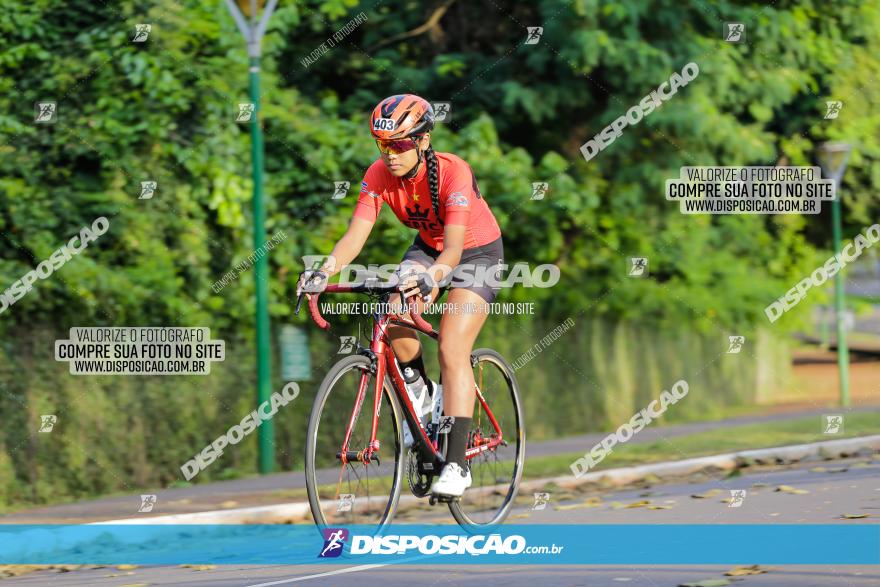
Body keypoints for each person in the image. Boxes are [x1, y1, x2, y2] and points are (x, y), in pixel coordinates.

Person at [297, 94, 504, 498]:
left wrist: (434, 280)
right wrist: (323, 272)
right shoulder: (378, 175)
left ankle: (458, 465)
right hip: (429, 247)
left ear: (423, 141)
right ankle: (421, 393)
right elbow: (355, 236)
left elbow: (455, 251)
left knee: (451, 346)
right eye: (382, 144)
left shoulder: (452, 172)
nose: (389, 155)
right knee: (393, 310)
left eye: (399, 145)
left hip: (475, 251)